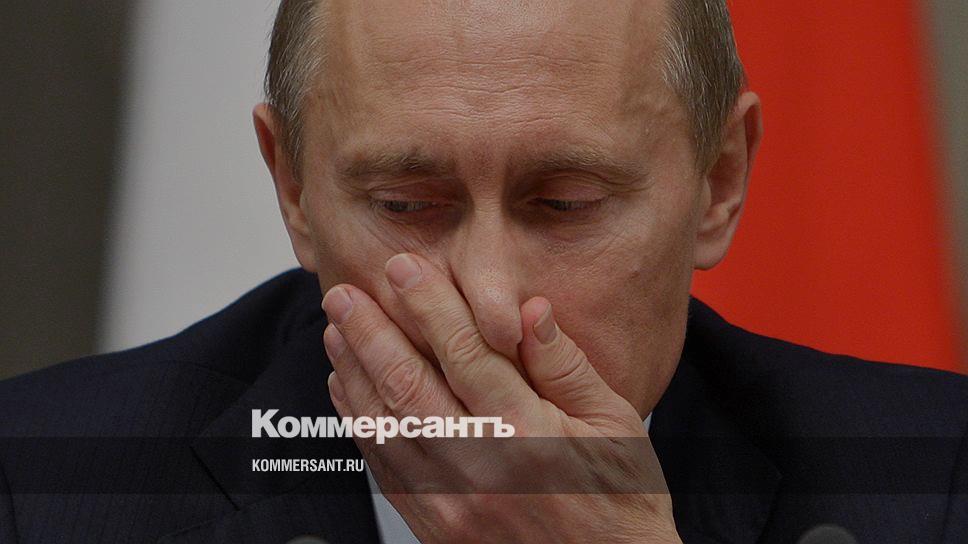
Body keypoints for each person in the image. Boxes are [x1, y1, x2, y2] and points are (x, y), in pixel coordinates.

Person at [1, 1, 966, 542]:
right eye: (405, 204)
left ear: (718, 182)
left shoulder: (935, 487)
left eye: (566, 203)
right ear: (293, 188)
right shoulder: (40, 489)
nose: (491, 303)